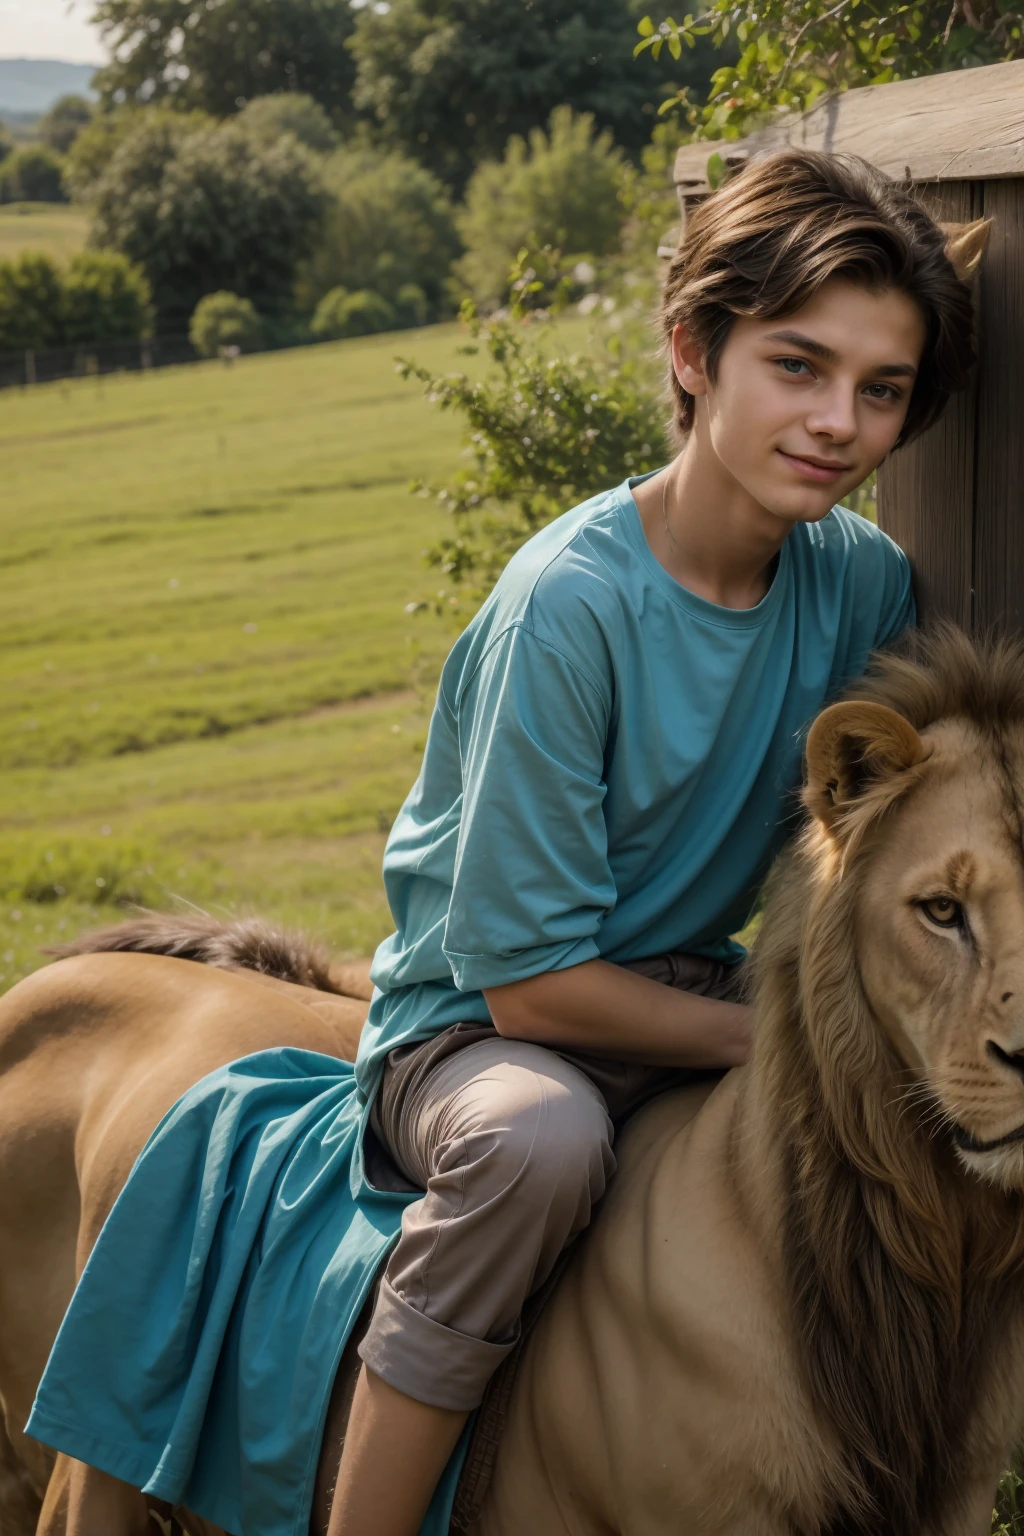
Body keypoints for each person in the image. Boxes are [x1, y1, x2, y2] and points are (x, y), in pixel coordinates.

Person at [43, 148, 977, 1536]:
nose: (838, 421)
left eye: (882, 389)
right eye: (797, 365)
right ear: (694, 353)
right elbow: (533, 988)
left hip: (684, 981)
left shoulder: (861, 584)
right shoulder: (572, 606)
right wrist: (787, 1038)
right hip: (477, 1028)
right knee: (538, 1148)